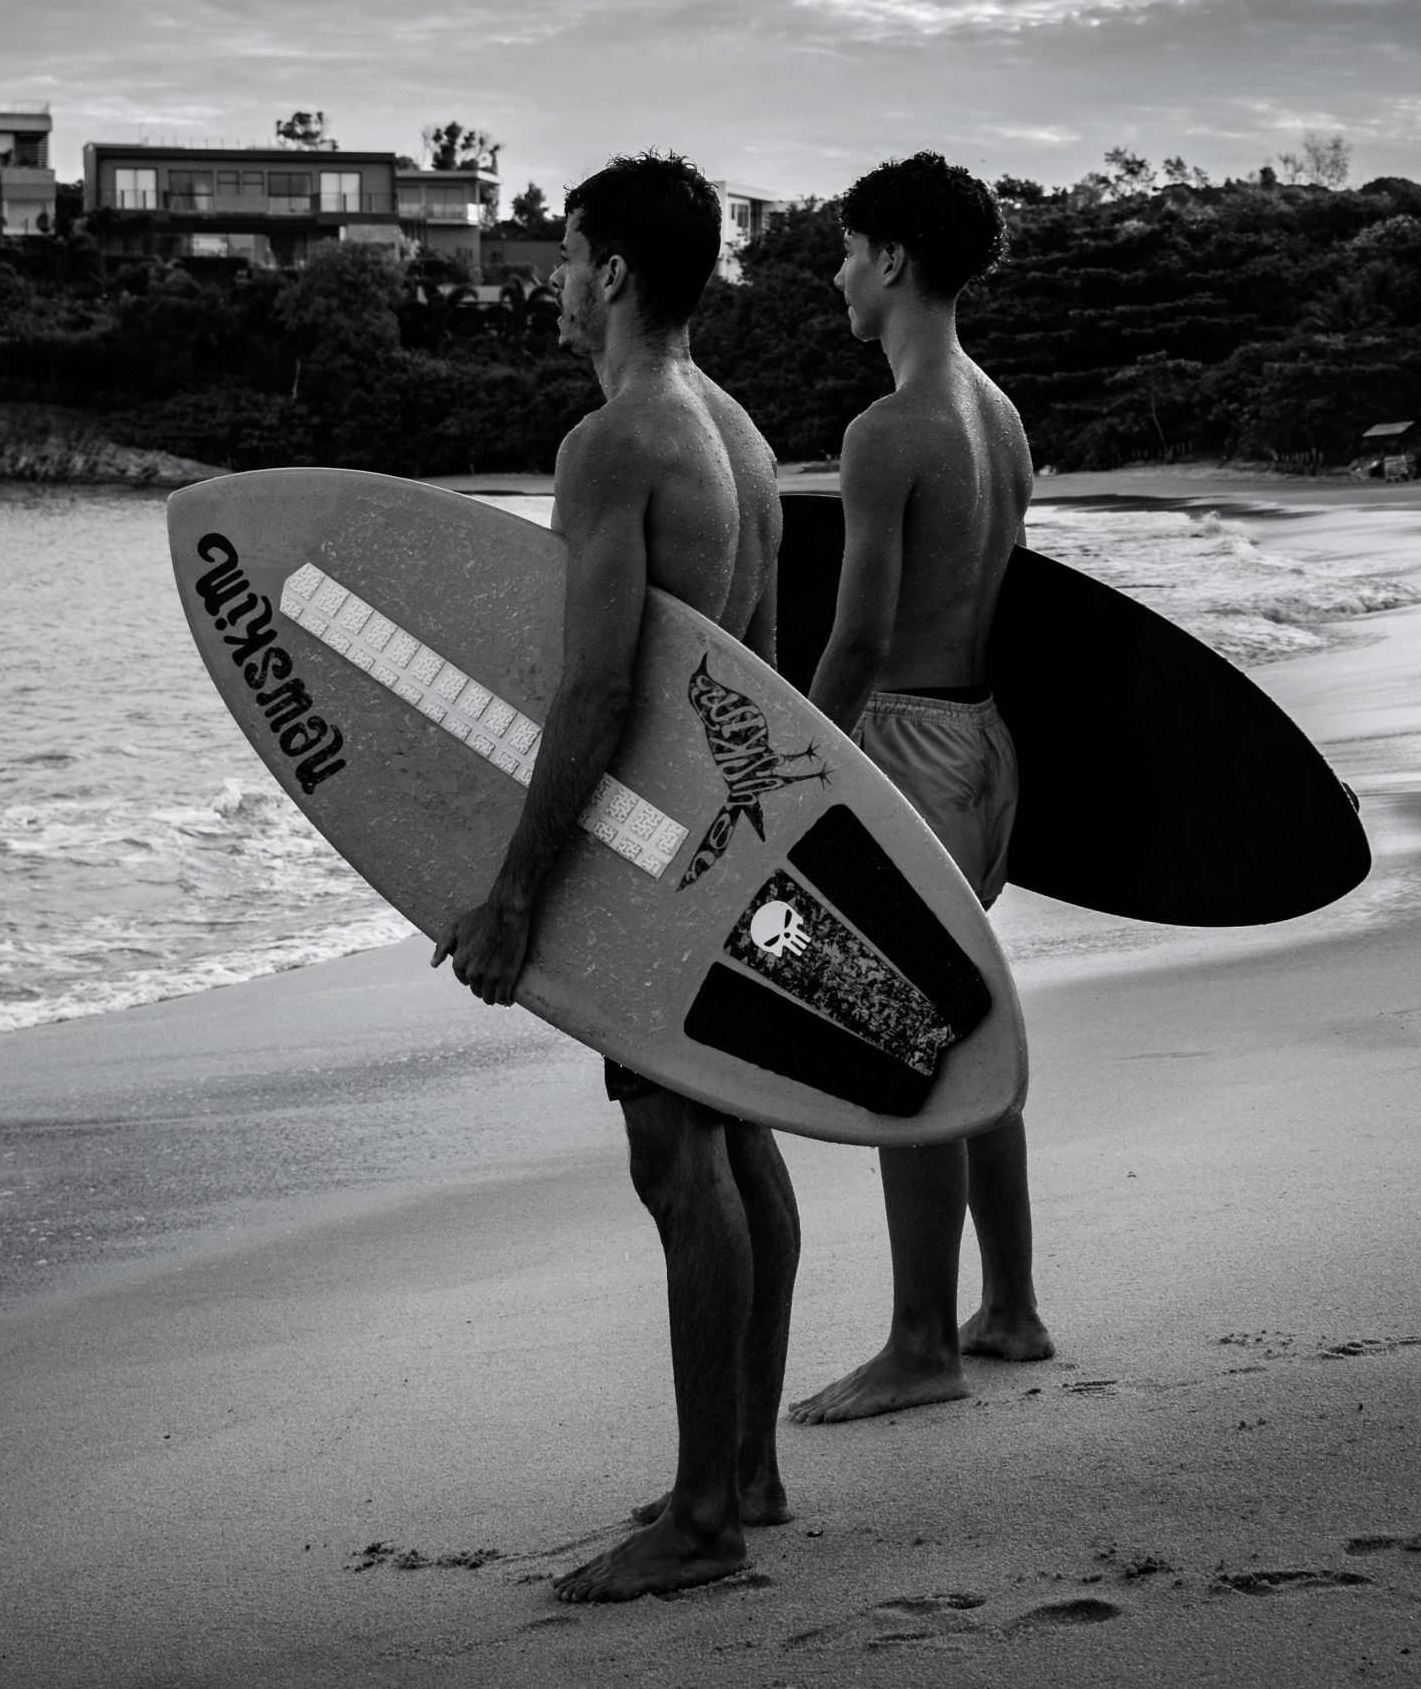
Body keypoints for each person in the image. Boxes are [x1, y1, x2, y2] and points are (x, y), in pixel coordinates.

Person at [432, 152, 798, 1602]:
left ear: (620, 274)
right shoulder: (736, 432)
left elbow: (593, 691)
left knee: (677, 1163)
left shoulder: (616, 442)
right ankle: (748, 1468)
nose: (555, 277)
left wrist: (518, 887)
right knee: (737, 1139)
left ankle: (703, 1512)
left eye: (568, 251)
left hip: (650, 853)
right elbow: (749, 680)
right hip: (728, 838)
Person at [786, 152, 1056, 1427]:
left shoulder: (887, 428)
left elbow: (856, 639)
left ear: (892, 260)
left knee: (903, 1044)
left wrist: (796, 773)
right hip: (981, 741)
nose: (837, 274)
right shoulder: (992, 409)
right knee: (965, 1025)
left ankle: (917, 1344)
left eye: (846, 250)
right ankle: (1004, 1304)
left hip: (900, 744)